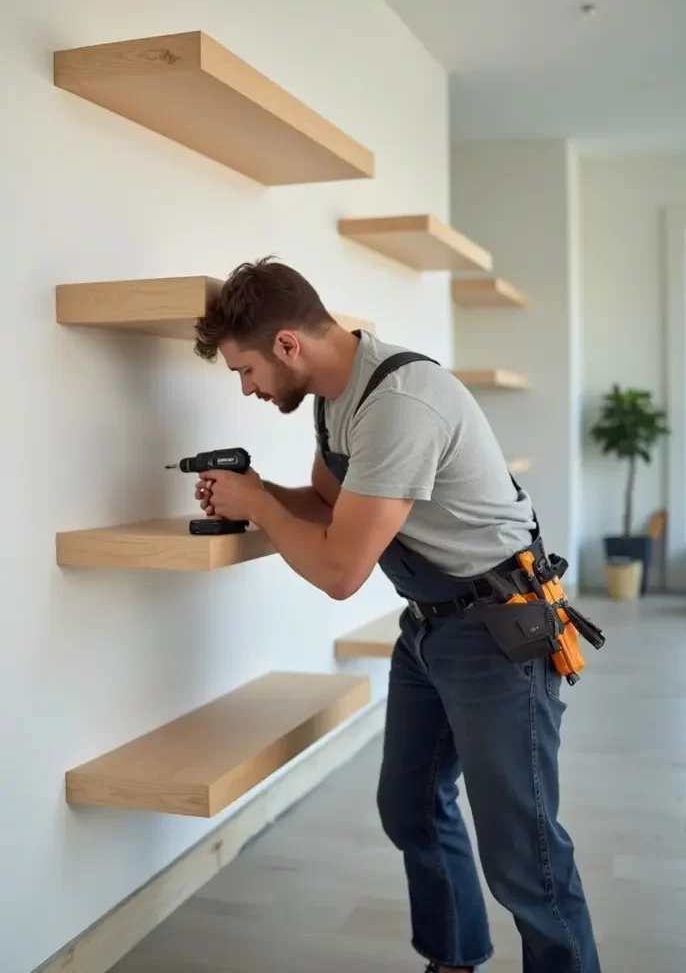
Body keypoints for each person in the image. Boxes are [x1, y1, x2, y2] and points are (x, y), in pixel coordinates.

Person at [192, 257, 601, 973]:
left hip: (500, 633)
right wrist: (251, 491)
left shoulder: (399, 403)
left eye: (245, 370)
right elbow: (325, 506)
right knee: (410, 805)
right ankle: (453, 957)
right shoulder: (333, 393)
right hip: (432, 626)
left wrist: (257, 508)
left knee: (524, 857)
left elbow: (339, 571)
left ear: (288, 344)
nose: (246, 388)